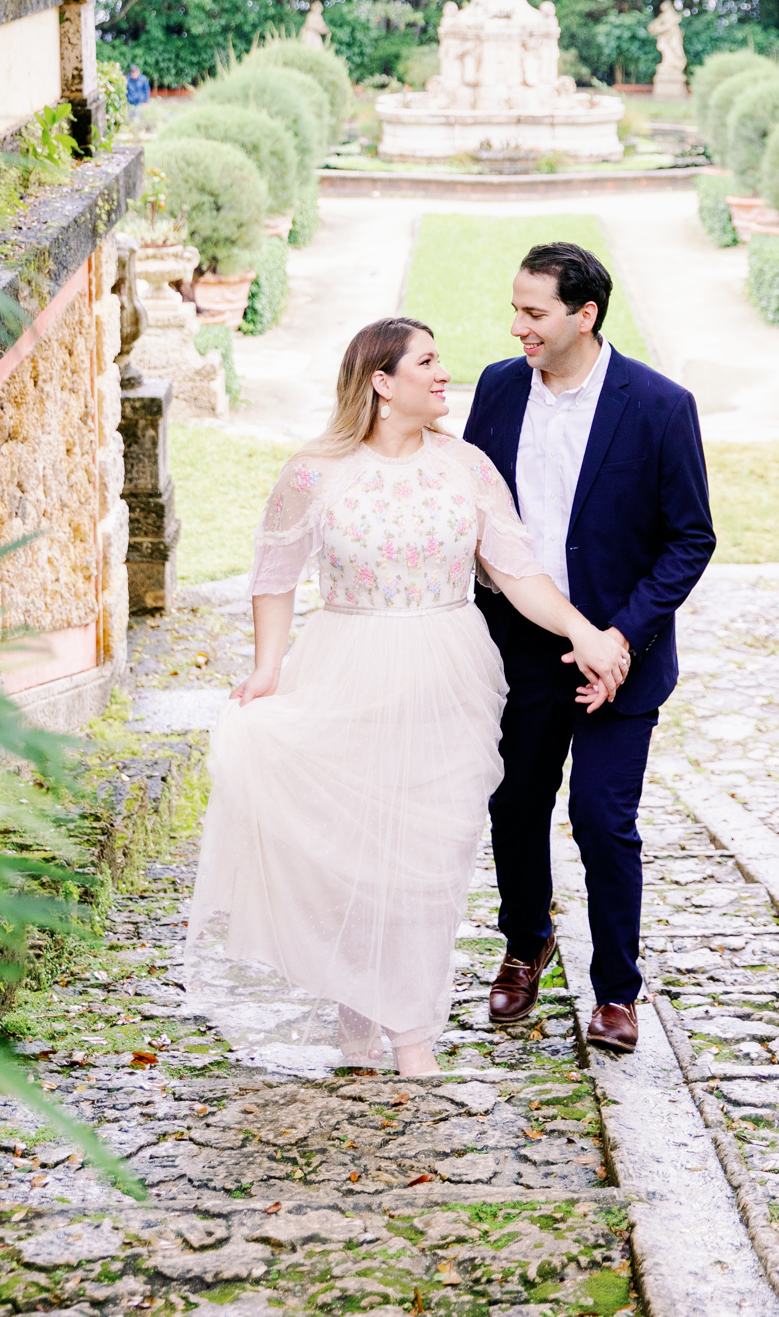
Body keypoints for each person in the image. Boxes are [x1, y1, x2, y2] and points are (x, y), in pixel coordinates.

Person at [186, 316, 631, 1078]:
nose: (443, 373)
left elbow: (518, 573)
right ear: (381, 383)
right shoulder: (313, 472)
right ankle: (360, 1021)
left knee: (429, 855)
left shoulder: (468, 468)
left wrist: (584, 633)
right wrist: (265, 671)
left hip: (449, 673)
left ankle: (412, 1033)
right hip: (347, 665)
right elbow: (274, 575)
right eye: (427, 362)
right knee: (356, 855)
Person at [463, 241, 715, 1054]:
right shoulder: (499, 389)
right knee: (515, 805)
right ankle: (523, 943)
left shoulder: (659, 405)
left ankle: (616, 991)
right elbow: (472, 511)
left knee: (603, 820)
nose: (517, 328)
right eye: (516, 309)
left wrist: (620, 638)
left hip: (621, 656)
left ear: (585, 314)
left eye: (533, 313)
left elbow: (690, 538)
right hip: (518, 645)